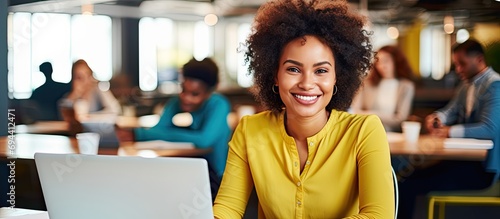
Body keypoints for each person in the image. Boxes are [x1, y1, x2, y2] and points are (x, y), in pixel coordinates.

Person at [213, 0, 394, 218]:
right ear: (275, 75)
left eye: (321, 71)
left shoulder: (364, 131)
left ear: (337, 77)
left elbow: (378, 215)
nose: (307, 83)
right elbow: (227, 208)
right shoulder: (250, 130)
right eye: (293, 69)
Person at [397, 39, 500, 219]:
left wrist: (449, 131)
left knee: (409, 186)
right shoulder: (467, 84)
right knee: (407, 178)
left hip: (483, 171)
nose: (458, 69)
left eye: (462, 64)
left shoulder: (495, 85)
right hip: (463, 161)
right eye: (456, 64)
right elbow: (450, 110)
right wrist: (437, 117)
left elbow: (489, 129)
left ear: (479, 60)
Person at [118, 57, 231, 180]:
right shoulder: (175, 102)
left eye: (195, 94)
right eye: (183, 90)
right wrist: (147, 134)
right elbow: (157, 129)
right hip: (188, 171)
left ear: (209, 93)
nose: (186, 98)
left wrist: (140, 134)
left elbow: (203, 140)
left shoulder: (219, 104)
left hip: (217, 177)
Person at [351, 45, 415, 132]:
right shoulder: (367, 84)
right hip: (368, 131)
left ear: (396, 61)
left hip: (393, 133)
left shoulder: (406, 86)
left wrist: (370, 114)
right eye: (378, 62)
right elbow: (355, 111)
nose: (382, 66)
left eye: (386, 61)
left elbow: (400, 119)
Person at [59, 59, 121, 125]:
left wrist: (90, 117)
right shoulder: (70, 96)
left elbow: (115, 111)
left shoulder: (98, 90)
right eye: (79, 77)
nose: (84, 81)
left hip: (98, 131)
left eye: (87, 76)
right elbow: (62, 117)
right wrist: (74, 95)